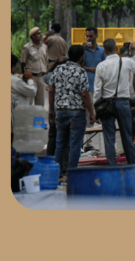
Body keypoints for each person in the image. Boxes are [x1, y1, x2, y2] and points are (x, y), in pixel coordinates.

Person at [94, 39, 135, 166]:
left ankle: (112, 167)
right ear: (116, 49)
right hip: (123, 103)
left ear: (104, 51)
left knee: (109, 138)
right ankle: (133, 167)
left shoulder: (101, 66)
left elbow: (97, 91)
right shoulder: (127, 61)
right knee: (127, 136)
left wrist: (96, 110)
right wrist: (134, 53)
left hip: (106, 104)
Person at [49, 45, 97, 178]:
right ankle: (72, 173)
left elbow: (51, 90)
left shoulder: (58, 69)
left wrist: (51, 110)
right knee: (75, 145)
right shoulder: (80, 71)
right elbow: (85, 95)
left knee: (60, 144)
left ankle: (57, 173)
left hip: (60, 112)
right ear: (81, 57)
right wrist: (92, 113)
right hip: (76, 113)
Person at [11, 54, 36, 142]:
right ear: (13, 66)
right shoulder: (15, 81)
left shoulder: (15, 80)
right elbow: (32, 92)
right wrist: (30, 79)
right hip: (19, 117)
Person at [21, 27, 48, 107]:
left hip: (42, 78)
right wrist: (25, 77)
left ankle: (38, 120)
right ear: (33, 36)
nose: (41, 35)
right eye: (38, 34)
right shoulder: (27, 48)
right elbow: (23, 62)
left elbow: (45, 61)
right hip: (31, 77)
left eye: (40, 33)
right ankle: (27, 119)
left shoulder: (44, 47)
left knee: (40, 104)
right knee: (28, 102)